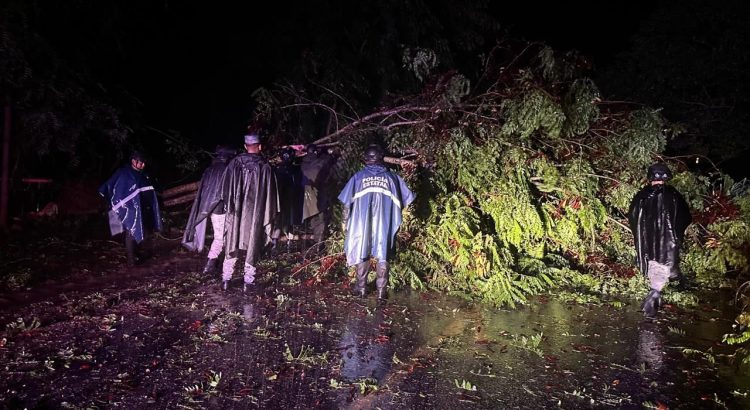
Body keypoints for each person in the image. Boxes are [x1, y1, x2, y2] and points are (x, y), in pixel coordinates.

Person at [338, 144, 415, 301]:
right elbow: (407, 199)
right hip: (385, 223)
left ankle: (361, 288)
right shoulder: (393, 178)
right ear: (382, 159)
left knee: (361, 250)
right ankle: (381, 292)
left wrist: (344, 221)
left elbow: (346, 203)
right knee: (383, 253)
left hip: (361, 223)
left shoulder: (358, 177)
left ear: (366, 159)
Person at [628, 162, 692, 317]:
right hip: (668, 243)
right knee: (664, 265)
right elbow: (685, 217)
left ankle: (655, 298)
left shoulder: (642, 195)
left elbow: (633, 216)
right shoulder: (673, 195)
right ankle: (653, 301)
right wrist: (676, 233)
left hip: (648, 244)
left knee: (655, 266)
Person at [219, 133, 279, 291]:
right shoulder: (265, 167)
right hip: (255, 214)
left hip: (236, 212)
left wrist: (230, 205)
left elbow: (224, 189)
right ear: (260, 146)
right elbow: (271, 197)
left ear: (245, 147)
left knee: (233, 240)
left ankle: (226, 279)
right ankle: (248, 282)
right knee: (252, 243)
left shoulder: (234, 164)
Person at [98, 150, 162, 267]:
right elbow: (109, 186)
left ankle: (139, 253)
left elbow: (147, 192)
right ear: (133, 161)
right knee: (130, 233)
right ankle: (131, 261)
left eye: (144, 163)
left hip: (140, 209)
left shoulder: (143, 175)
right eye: (141, 162)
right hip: (127, 210)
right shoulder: (123, 172)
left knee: (144, 231)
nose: (143, 165)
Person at [182, 145, 237, 273]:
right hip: (220, 209)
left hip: (211, 209)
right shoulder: (225, 170)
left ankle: (213, 264)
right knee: (220, 238)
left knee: (220, 237)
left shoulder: (209, 169)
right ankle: (211, 265)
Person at [300, 143, 337, 252]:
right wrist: (329, 153)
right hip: (318, 194)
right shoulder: (320, 162)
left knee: (312, 219)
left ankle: (310, 244)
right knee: (321, 219)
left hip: (306, 196)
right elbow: (328, 161)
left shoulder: (303, 163)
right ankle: (319, 246)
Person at [271, 146, 304, 250]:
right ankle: (283, 242)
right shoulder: (295, 170)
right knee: (287, 220)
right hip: (288, 201)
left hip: (282, 201)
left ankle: (276, 243)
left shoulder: (277, 170)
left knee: (281, 221)